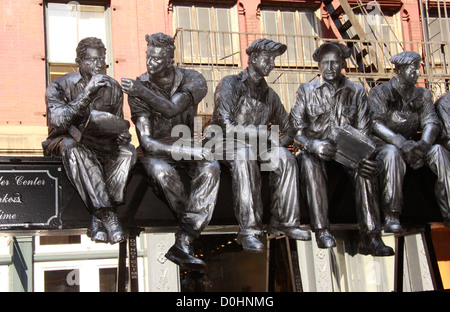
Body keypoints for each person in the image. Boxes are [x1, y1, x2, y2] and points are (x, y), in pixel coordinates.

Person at [121, 33, 220, 270]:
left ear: (169, 60)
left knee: (211, 167)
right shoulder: (140, 86)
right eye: (148, 56)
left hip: (184, 143)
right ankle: (188, 234)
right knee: (163, 174)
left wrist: (140, 91)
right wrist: (139, 91)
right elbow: (147, 143)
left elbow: (172, 108)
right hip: (156, 151)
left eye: (156, 59)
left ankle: (184, 240)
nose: (150, 62)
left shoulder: (193, 79)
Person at [290, 41, 393, 256]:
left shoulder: (356, 92)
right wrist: (313, 145)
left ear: (343, 64)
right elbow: (297, 131)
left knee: (365, 170)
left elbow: (364, 132)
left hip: (348, 152)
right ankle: (322, 230)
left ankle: (371, 237)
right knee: (309, 163)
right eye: (325, 63)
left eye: (335, 63)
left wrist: (363, 156)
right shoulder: (306, 91)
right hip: (316, 152)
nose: (330, 68)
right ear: (318, 65)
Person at [212, 38, 311, 254]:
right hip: (224, 143)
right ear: (254, 58)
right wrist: (261, 133)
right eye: (268, 59)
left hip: (257, 147)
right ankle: (249, 231)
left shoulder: (270, 95)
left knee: (285, 158)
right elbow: (225, 125)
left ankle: (284, 221)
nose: (272, 64)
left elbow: (289, 129)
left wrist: (278, 143)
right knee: (244, 154)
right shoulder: (230, 84)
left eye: (274, 60)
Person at [43, 37, 137, 244]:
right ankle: (108, 215)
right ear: (79, 61)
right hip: (63, 142)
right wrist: (87, 93)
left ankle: (98, 216)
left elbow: (116, 122)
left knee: (128, 151)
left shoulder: (112, 87)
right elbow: (59, 122)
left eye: (101, 61)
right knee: (73, 147)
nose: (97, 66)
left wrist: (122, 134)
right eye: (92, 61)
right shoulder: (58, 85)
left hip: (101, 144)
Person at [369, 51, 450, 230]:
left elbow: (431, 122)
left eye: (418, 67)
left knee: (438, 151)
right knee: (392, 153)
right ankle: (392, 214)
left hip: (412, 145)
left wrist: (424, 145)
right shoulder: (380, 92)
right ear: (400, 69)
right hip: (383, 146)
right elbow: (375, 124)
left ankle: (448, 211)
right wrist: (401, 143)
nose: (418, 72)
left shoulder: (423, 95)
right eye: (413, 68)